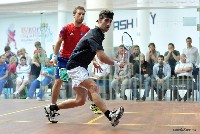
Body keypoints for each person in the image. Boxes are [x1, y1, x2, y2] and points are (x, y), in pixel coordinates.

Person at [44, 9, 124, 127]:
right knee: (93, 87)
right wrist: (116, 64)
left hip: (79, 66)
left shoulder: (98, 34)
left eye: (110, 21)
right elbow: (101, 56)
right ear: (99, 20)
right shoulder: (95, 34)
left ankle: (52, 108)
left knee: (80, 100)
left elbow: (90, 52)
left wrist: (95, 61)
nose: (108, 24)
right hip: (75, 66)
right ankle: (110, 115)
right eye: (106, 20)